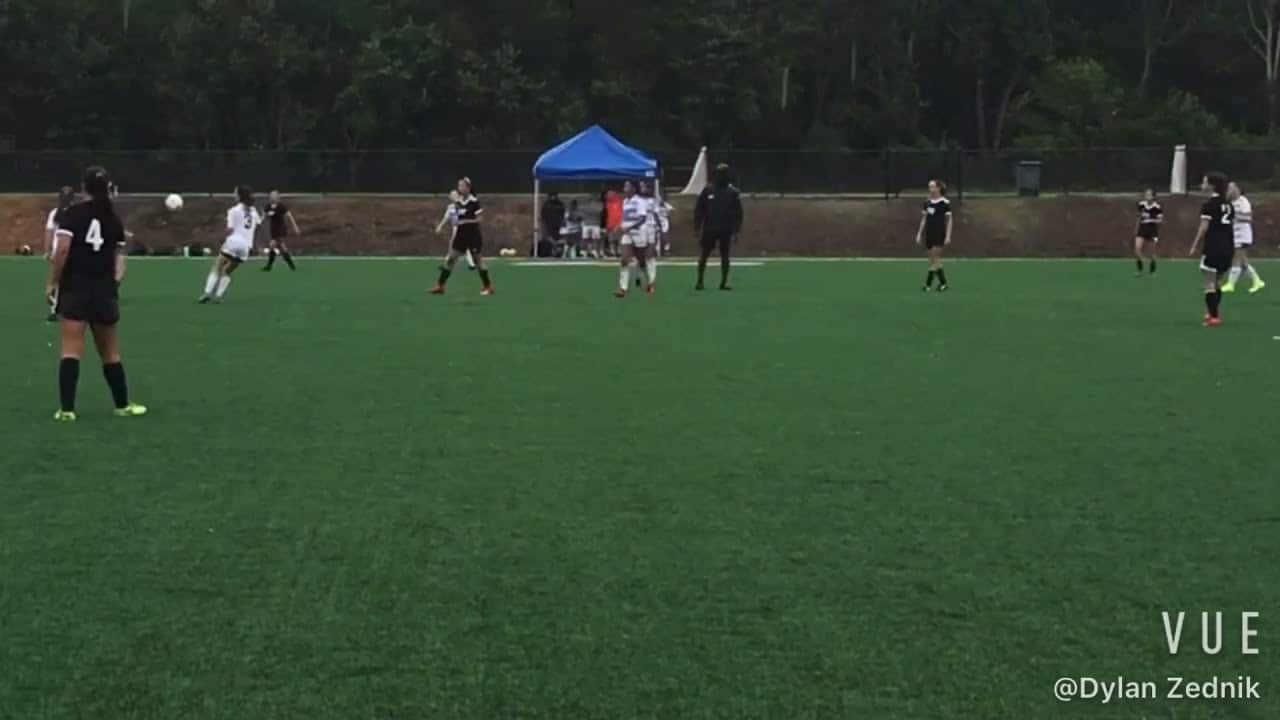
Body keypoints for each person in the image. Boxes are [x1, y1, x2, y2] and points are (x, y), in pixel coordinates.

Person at [45, 166, 146, 421]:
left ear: (83, 188)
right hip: (103, 289)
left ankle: (67, 410)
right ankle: (122, 405)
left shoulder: (71, 214)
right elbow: (120, 259)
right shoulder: (113, 218)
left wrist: (52, 282)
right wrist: (113, 283)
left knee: (70, 349)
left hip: (75, 286)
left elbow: (63, 250)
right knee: (110, 351)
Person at [431, 177, 493, 295]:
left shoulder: (474, 202)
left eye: (462, 186)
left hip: (473, 235)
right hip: (461, 235)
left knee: (478, 260)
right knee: (451, 259)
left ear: (468, 188)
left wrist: (465, 222)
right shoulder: (458, 202)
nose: (460, 188)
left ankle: (488, 287)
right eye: (459, 186)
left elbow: (480, 219)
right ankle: (440, 286)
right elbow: (457, 212)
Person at [199, 185, 262, 304]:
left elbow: (230, 229)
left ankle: (207, 293)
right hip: (245, 247)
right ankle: (218, 296)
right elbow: (257, 225)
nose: (233, 194)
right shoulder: (253, 211)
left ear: (239, 196)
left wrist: (221, 239)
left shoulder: (233, 210)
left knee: (217, 266)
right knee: (227, 271)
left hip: (234, 241)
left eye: (235, 193)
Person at [1188, 172, 1235, 327]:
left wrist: (1194, 245)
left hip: (1213, 247)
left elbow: (1204, 228)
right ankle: (1213, 312)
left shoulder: (1209, 205)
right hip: (1228, 247)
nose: (1202, 185)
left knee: (1209, 283)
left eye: (1204, 182)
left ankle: (1213, 317)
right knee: (1217, 282)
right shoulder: (1229, 205)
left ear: (1211, 186)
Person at [694, 163, 744, 291]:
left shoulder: (732, 192)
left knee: (725, 256)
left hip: (725, 229)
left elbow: (738, 213)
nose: (722, 176)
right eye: (720, 173)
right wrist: (697, 227)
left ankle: (723, 282)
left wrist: (736, 231)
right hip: (709, 228)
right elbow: (699, 210)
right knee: (704, 254)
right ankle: (700, 281)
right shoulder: (708, 190)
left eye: (725, 173)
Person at [615, 180, 657, 297]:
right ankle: (623, 288)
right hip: (627, 233)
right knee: (624, 259)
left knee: (641, 261)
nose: (624, 188)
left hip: (639, 233)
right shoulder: (625, 202)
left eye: (627, 186)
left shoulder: (640, 201)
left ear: (633, 188)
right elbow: (625, 217)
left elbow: (642, 219)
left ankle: (650, 282)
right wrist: (621, 226)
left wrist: (630, 227)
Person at [1223, 182, 1265, 294]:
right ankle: (1257, 281)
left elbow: (1248, 218)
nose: (1229, 191)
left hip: (1243, 235)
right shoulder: (1230, 202)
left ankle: (1230, 284)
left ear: (1237, 189)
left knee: (1236, 259)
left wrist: (1235, 216)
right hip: (1234, 235)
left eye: (1231, 188)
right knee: (1243, 261)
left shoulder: (1243, 201)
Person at [43, 186, 77, 321]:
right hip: (72, 251)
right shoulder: (75, 212)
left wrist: (47, 251)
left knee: (55, 281)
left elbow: (49, 232)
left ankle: (55, 309)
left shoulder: (55, 213)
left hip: (59, 251)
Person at [916, 179, 953, 291]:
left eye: (932, 186)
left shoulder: (945, 203)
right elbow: (924, 219)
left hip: (939, 233)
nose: (930, 189)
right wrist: (919, 234)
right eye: (929, 187)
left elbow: (950, 220)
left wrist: (948, 236)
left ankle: (927, 285)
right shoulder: (927, 202)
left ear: (938, 188)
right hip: (929, 233)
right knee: (933, 260)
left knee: (935, 257)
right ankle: (943, 284)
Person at [262, 190, 300, 272]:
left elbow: (289, 216)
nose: (273, 197)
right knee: (282, 247)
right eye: (271, 195)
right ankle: (291, 265)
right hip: (273, 230)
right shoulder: (268, 206)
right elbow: (264, 217)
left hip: (281, 229)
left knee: (273, 245)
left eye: (275, 195)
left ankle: (269, 266)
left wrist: (295, 226)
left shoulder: (281, 206)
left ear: (278, 197)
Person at [1133, 189, 1162, 276]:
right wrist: (1136, 228)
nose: (1147, 196)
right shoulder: (1141, 205)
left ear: (1153, 197)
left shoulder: (1157, 207)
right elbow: (1138, 217)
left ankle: (1152, 271)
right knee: (1137, 248)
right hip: (1142, 229)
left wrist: (1150, 219)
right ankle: (1140, 270)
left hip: (1152, 230)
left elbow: (1160, 220)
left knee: (1151, 252)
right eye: (1146, 194)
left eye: (1149, 195)